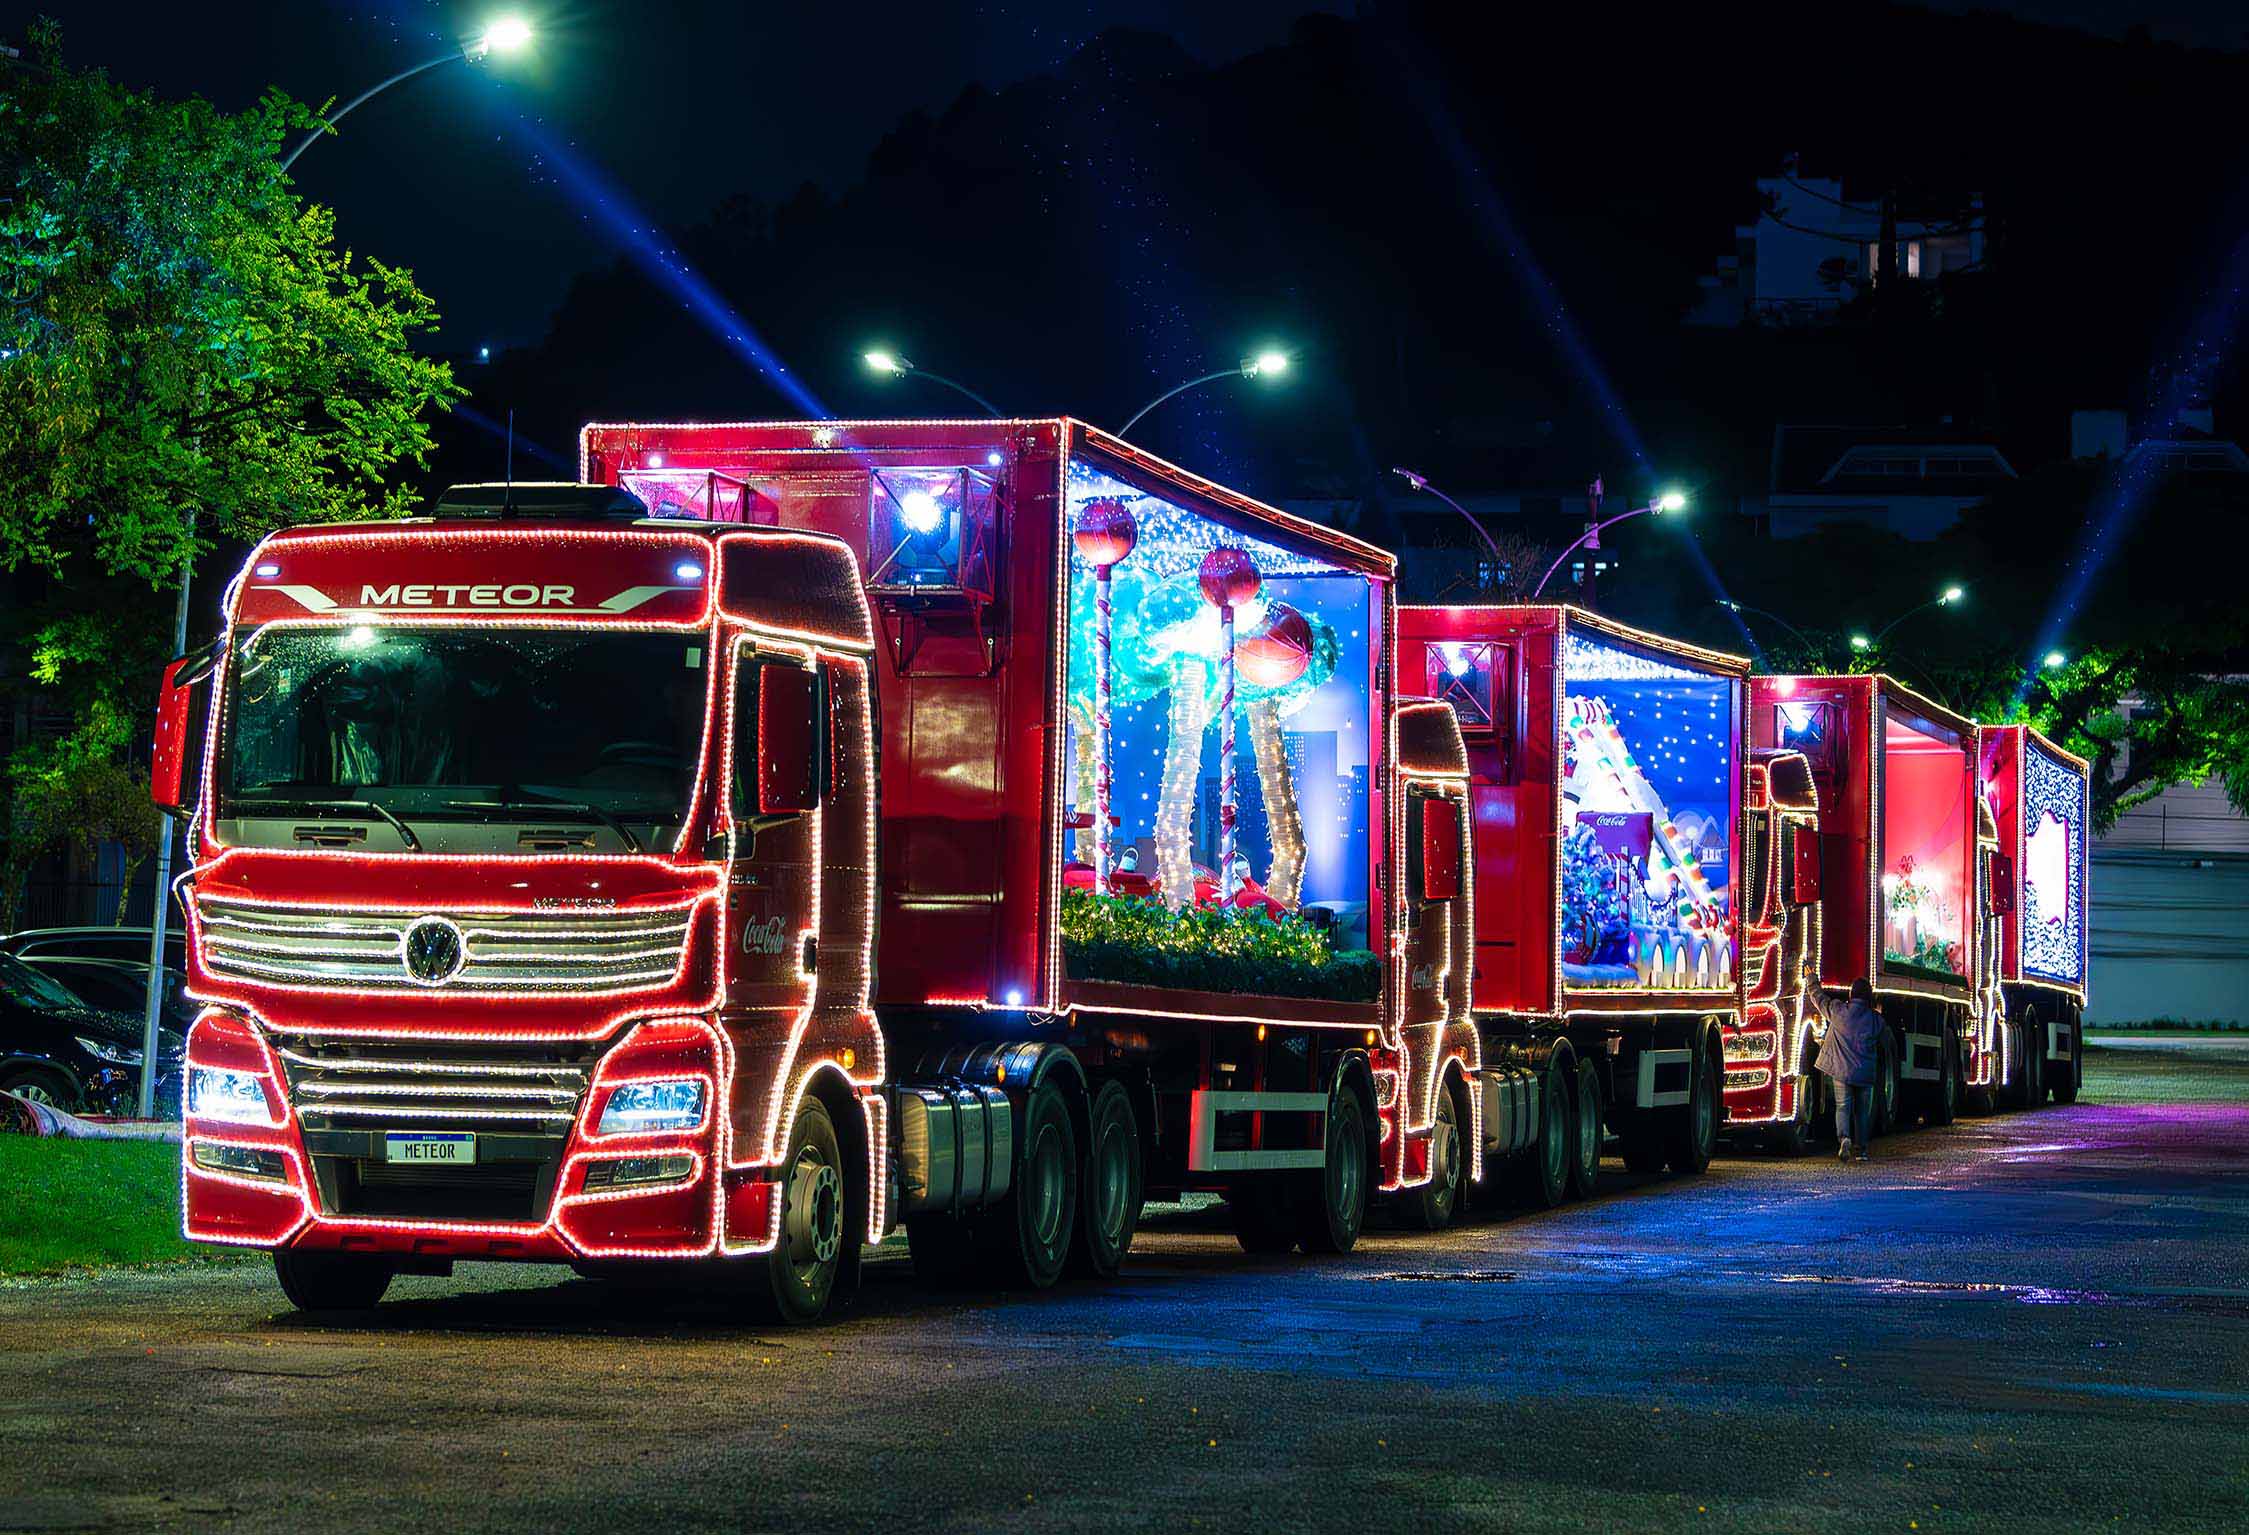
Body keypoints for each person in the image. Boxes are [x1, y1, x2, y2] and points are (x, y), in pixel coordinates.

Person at [1814, 979, 1887, 1163]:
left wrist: (1811, 980)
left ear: (1851, 994)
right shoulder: (1875, 1020)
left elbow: (1820, 999)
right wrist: (1877, 1011)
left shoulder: (1839, 1011)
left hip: (1842, 1071)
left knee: (1842, 1107)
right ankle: (1862, 1150)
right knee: (1861, 1112)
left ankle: (1844, 1138)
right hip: (1864, 1074)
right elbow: (1881, 1031)